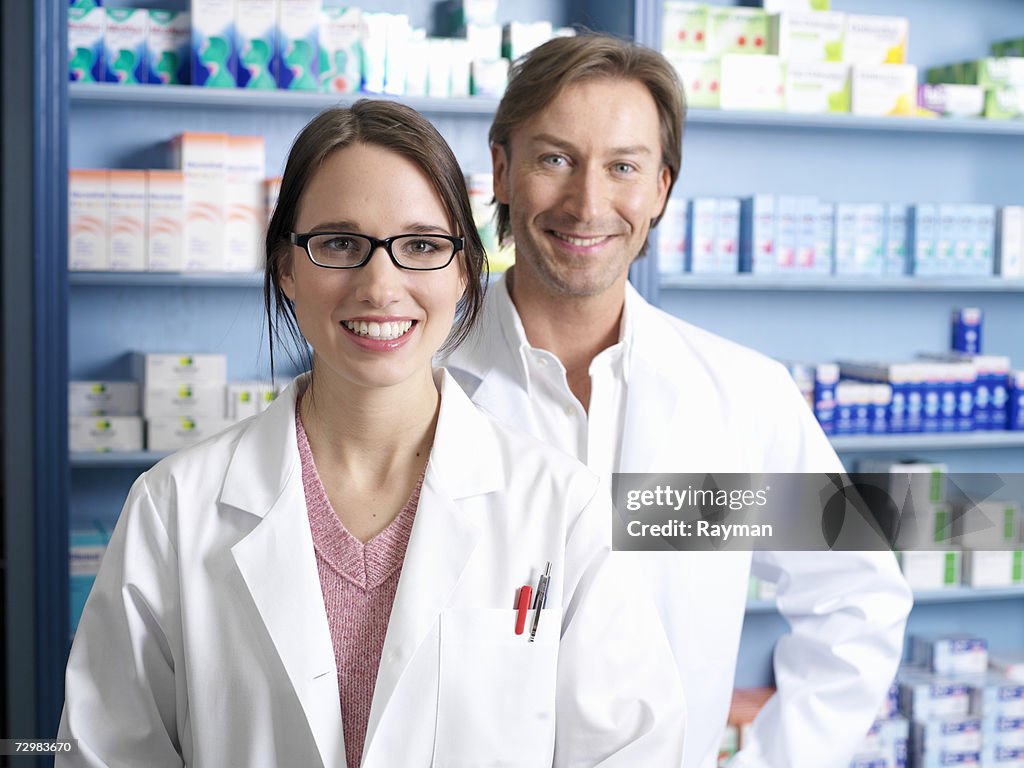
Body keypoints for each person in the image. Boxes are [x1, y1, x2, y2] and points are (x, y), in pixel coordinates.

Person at [58, 100, 686, 767]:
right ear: (286, 268)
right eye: (338, 244)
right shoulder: (174, 508)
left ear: (467, 270)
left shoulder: (561, 509)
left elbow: (631, 750)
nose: (380, 286)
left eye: (421, 245)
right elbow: (101, 751)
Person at [444, 34, 914, 768]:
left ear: (661, 188)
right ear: (502, 171)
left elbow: (859, 600)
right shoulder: (422, 386)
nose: (587, 203)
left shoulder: (738, 399)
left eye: (623, 167)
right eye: (555, 159)